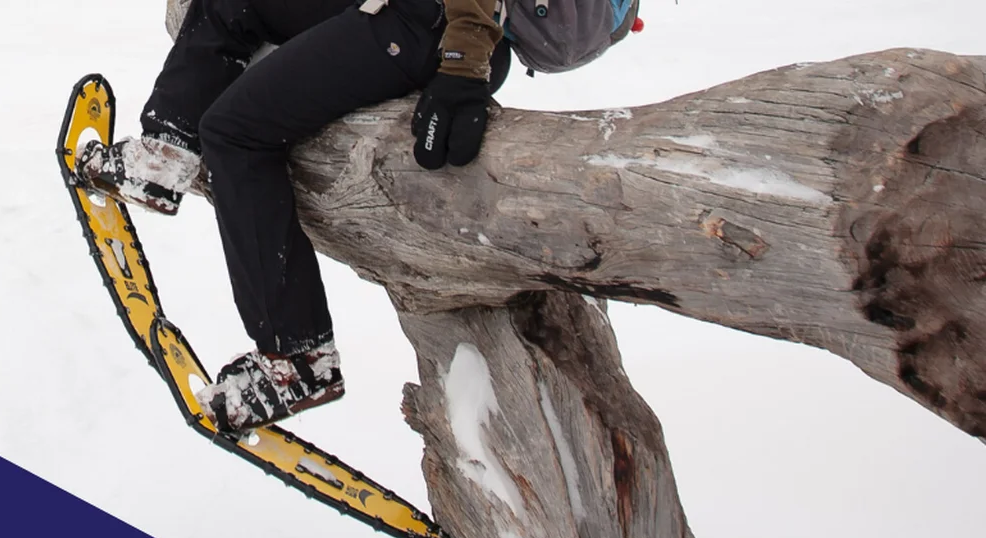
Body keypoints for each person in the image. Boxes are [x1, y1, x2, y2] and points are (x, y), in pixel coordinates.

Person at [76, 0, 639, 433]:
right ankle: (164, 154)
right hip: (407, 12)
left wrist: (463, 64)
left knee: (235, 134)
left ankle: (296, 358)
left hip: (433, 30)